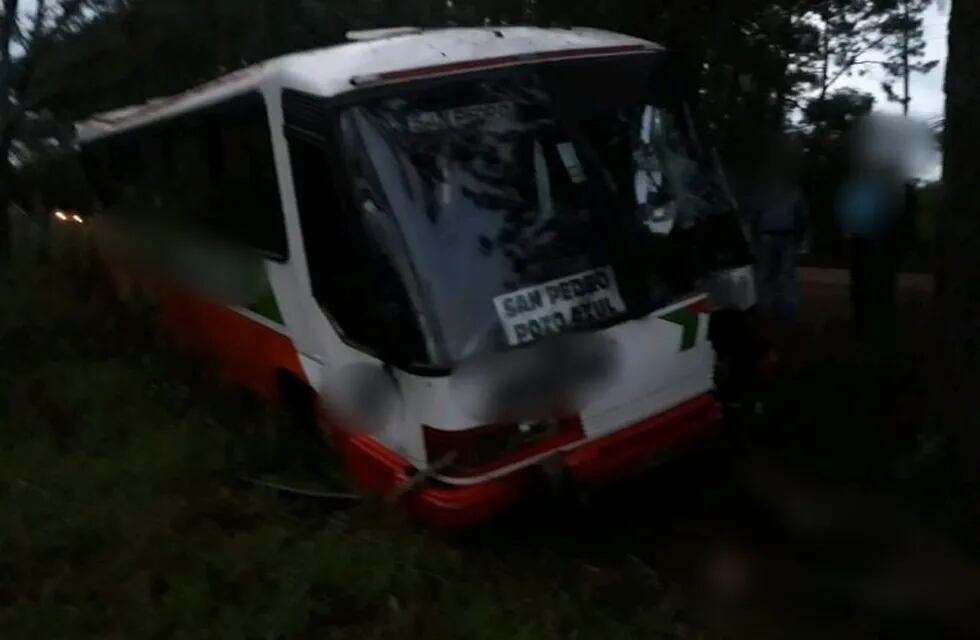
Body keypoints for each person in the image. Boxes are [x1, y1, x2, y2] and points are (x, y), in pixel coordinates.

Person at [748, 160, 808, 320]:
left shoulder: (766, 191)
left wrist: (755, 236)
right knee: (781, 273)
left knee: (770, 273)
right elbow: (801, 215)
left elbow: (755, 215)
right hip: (783, 236)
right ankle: (783, 307)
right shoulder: (792, 191)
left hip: (774, 236)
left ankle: (771, 306)